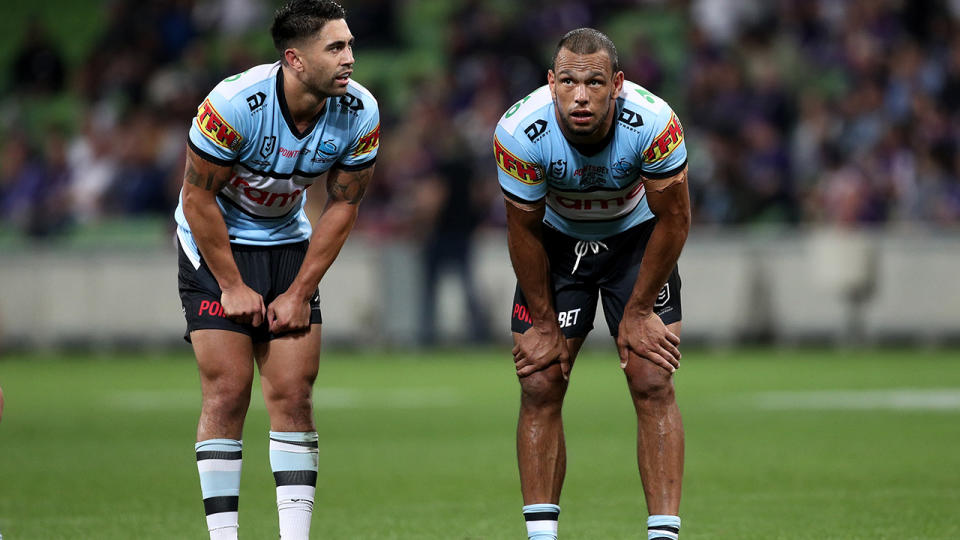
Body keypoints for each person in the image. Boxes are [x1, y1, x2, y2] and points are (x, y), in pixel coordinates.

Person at [173, 1, 379, 539]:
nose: (349, 58)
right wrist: (232, 285)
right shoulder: (234, 104)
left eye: (350, 45)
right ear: (295, 59)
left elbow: (343, 206)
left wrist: (300, 290)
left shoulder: (360, 111)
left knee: (292, 393)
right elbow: (198, 200)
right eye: (335, 47)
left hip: (288, 241)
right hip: (216, 245)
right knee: (229, 388)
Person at [493, 28, 690, 540]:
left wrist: (641, 310)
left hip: (636, 240)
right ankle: (541, 536)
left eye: (596, 83)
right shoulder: (518, 132)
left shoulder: (655, 123)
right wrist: (541, 322)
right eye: (570, 83)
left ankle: (663, 535)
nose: (581, 96)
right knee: (539, 381)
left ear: (617, 84)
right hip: (556, 244)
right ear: (552, 82)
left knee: (652, 379)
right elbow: (523, 229)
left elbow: (675, 220)